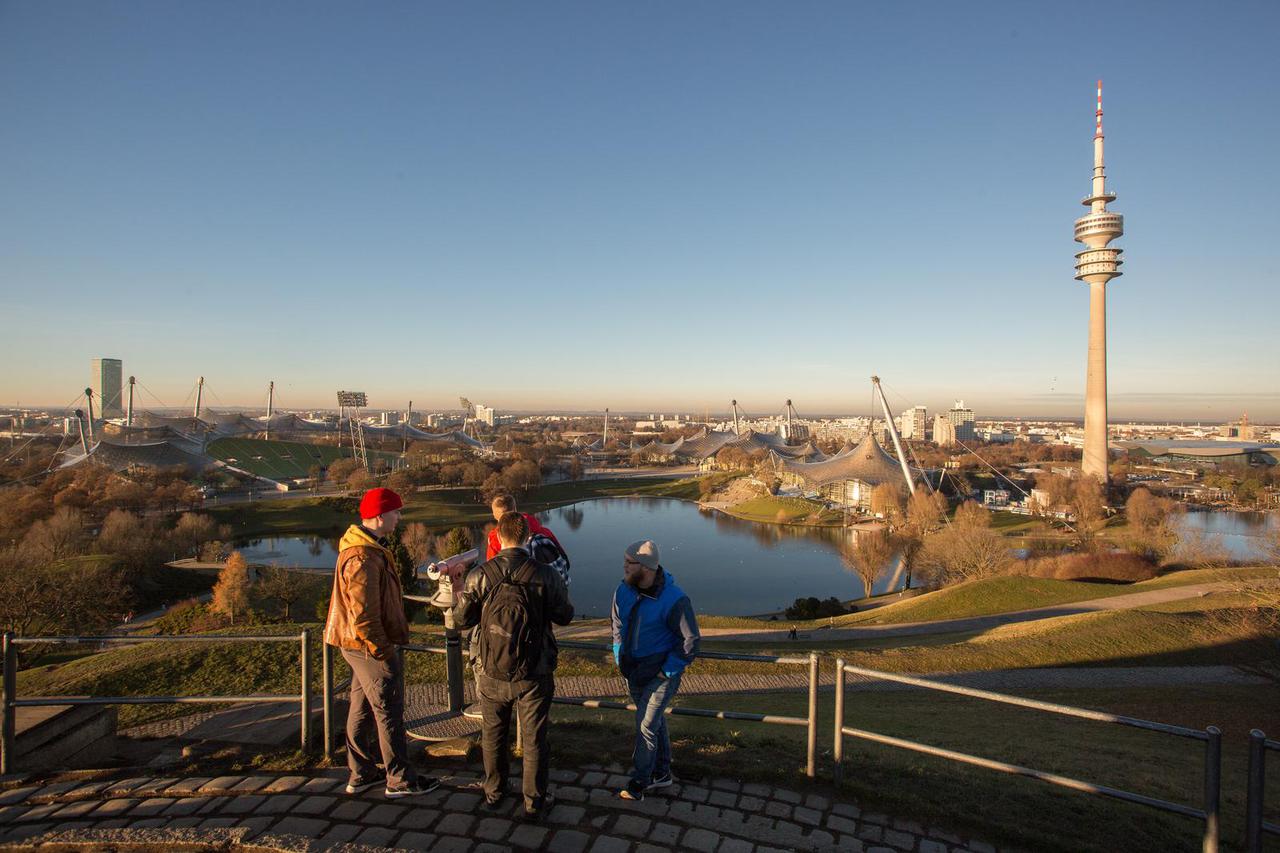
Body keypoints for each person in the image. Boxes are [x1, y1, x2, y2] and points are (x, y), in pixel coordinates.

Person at [454, 511, 574, 821]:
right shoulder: (545, 574)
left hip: (490, 667)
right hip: (535, 670)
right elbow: (565, 616)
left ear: (498, 536)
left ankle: (494, 792)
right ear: (527, 538)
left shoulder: (481, 574)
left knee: (493, 733)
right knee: (534, 738)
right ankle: (534, 802)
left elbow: (461, 620)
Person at [324, 487, 438, 798]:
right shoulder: (362, 557)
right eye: (395, 512)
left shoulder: (367, 549)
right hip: (368, 646)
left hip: (357, 645)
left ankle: (361, 773)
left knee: (361, 708)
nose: (399, 517)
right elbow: (364, 616)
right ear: (379, 516)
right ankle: (399, 779)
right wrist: (383, 652)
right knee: (388, 709)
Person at [610, 540, 701, 801]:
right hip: (633, 670)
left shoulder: (674, 599)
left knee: (646, 726)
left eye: (630, 563)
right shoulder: (623, 590)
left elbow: (691, 640)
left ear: (646, 567)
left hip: (660, 674)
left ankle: (640, 781)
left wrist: (667, 671)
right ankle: (662, 773)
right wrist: (618, 654)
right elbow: (617, 623)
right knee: (653, 723)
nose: (624, 567)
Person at [484, 493, 564, 560]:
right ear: (515, 509)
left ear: (494, 515)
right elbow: (564, 558)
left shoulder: (494, 538)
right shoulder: (544, 532)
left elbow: (491, 568)